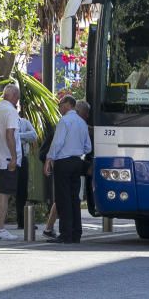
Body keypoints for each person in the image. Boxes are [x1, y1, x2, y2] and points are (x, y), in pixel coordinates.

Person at [44, 96, 92, 244]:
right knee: (74, 198)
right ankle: (76, 233)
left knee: (63, 199)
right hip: (77, 162)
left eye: (61, 104)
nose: (59, 107)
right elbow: (88, 147)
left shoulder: (64, 121)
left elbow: (57, 142)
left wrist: (49, 159)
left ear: (69, 104)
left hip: (63, 162)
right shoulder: (82, 123)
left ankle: (65, 234)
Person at [0, 84, 22, 241]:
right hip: (7, 158)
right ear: (14, 96)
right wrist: (14, 157)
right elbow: (10, 134)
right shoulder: (11, 111)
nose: (17, 101)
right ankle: (0, 228)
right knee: (4, 194)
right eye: (17, 98)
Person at [17, 111, 39, 230]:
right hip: (7, 157)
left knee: (22, 191)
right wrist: (22, 136)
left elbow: (34, 135)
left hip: (23, 158)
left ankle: (21, 221)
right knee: (3, 191)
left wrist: (18, 135)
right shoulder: (3, 120)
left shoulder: (24, 122)